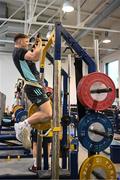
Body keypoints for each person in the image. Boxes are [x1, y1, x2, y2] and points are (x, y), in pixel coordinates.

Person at [12, 33, 52, 149]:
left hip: (35, 86)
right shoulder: (19, 52)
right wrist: (39, 43)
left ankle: (26, 127)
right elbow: (35, 57)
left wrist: (38, 45)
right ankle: (22, 125)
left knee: (46, 114)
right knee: (48, 113)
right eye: (26, 41)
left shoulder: (21, 54)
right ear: (19, 42)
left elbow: (34, 55)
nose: (27, 43)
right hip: (33, 86)